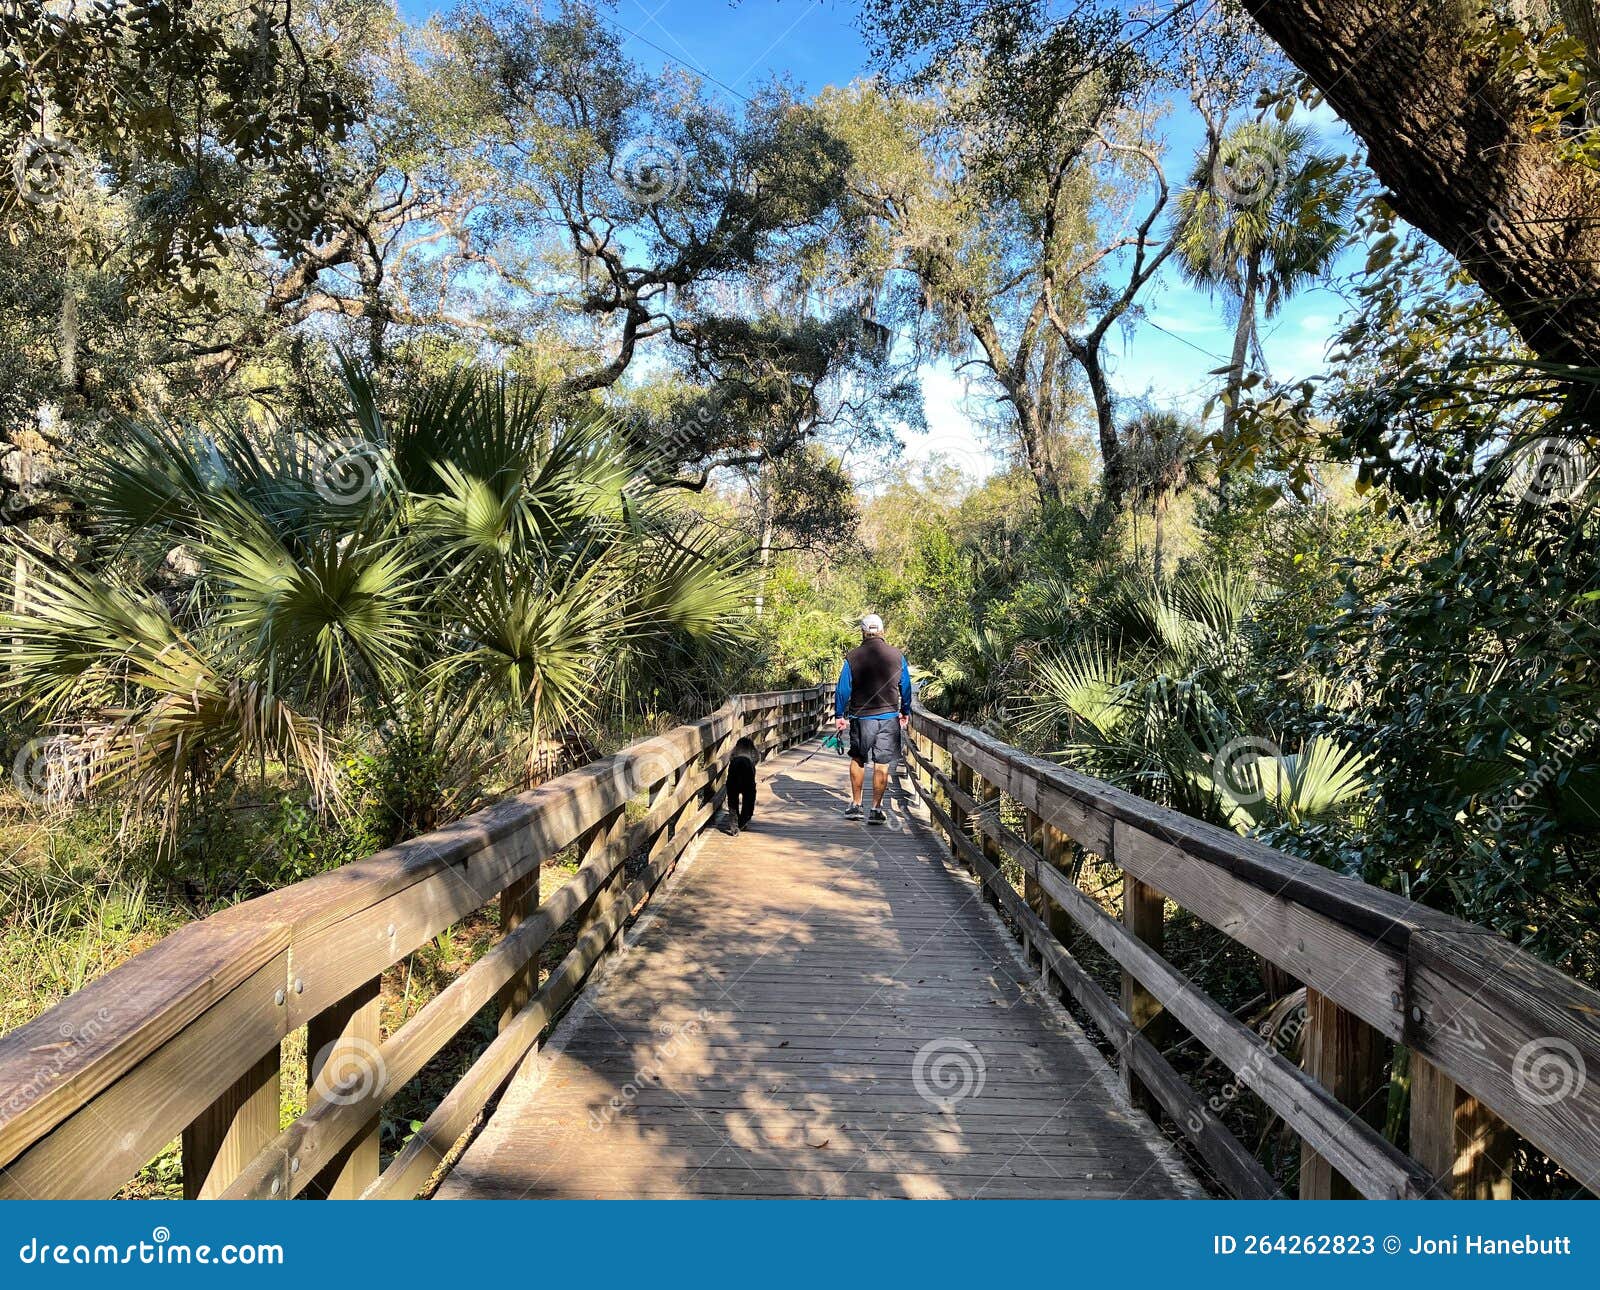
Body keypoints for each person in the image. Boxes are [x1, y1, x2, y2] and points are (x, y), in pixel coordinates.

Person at [834, 613, 912, 824]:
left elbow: (843, 689)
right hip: (889, 717)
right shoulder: (897, 656)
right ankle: (876, 809)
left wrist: (839, 715)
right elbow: (905, 686)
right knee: (882, 763)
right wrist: (905, 710)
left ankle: (856, 805)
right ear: (882, 631)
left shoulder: (853, 656)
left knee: (858, 758)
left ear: (863, 632)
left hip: (861, 717)